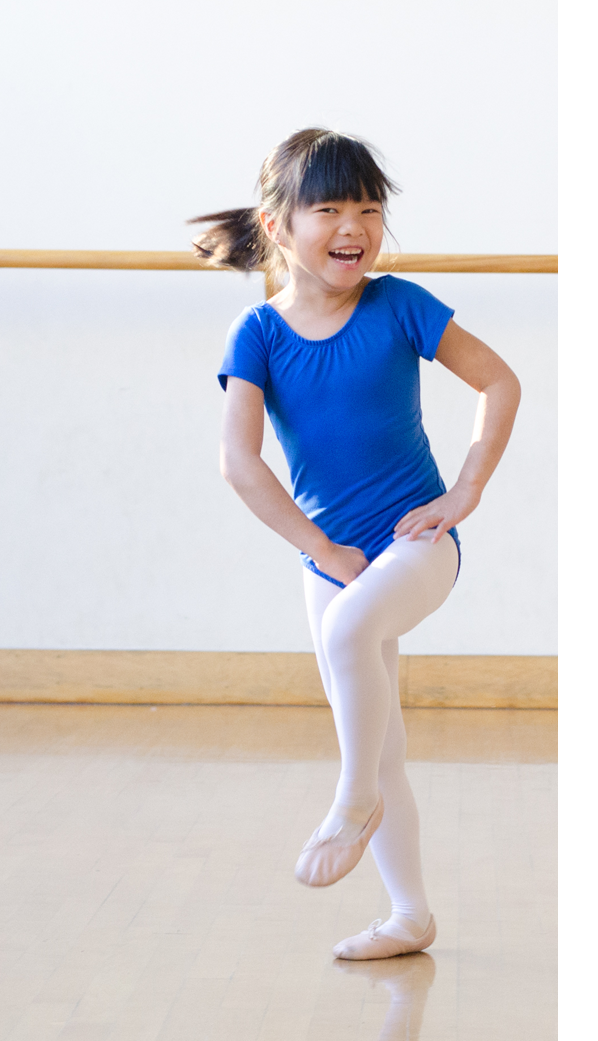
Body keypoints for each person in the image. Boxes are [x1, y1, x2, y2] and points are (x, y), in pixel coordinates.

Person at [195, 128, 520, 960]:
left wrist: (465, 490)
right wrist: (324, 552)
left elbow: (498, 380)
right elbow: (239, 463)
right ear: (277, 225)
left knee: (350, 645)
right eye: (331, 209)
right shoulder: (257, 334)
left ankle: (350, 800)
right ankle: (409, 914)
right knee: (384, 742)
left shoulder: (398, 305)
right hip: (329, 559)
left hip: (417, 542)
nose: (355, 227)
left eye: (370, 210)